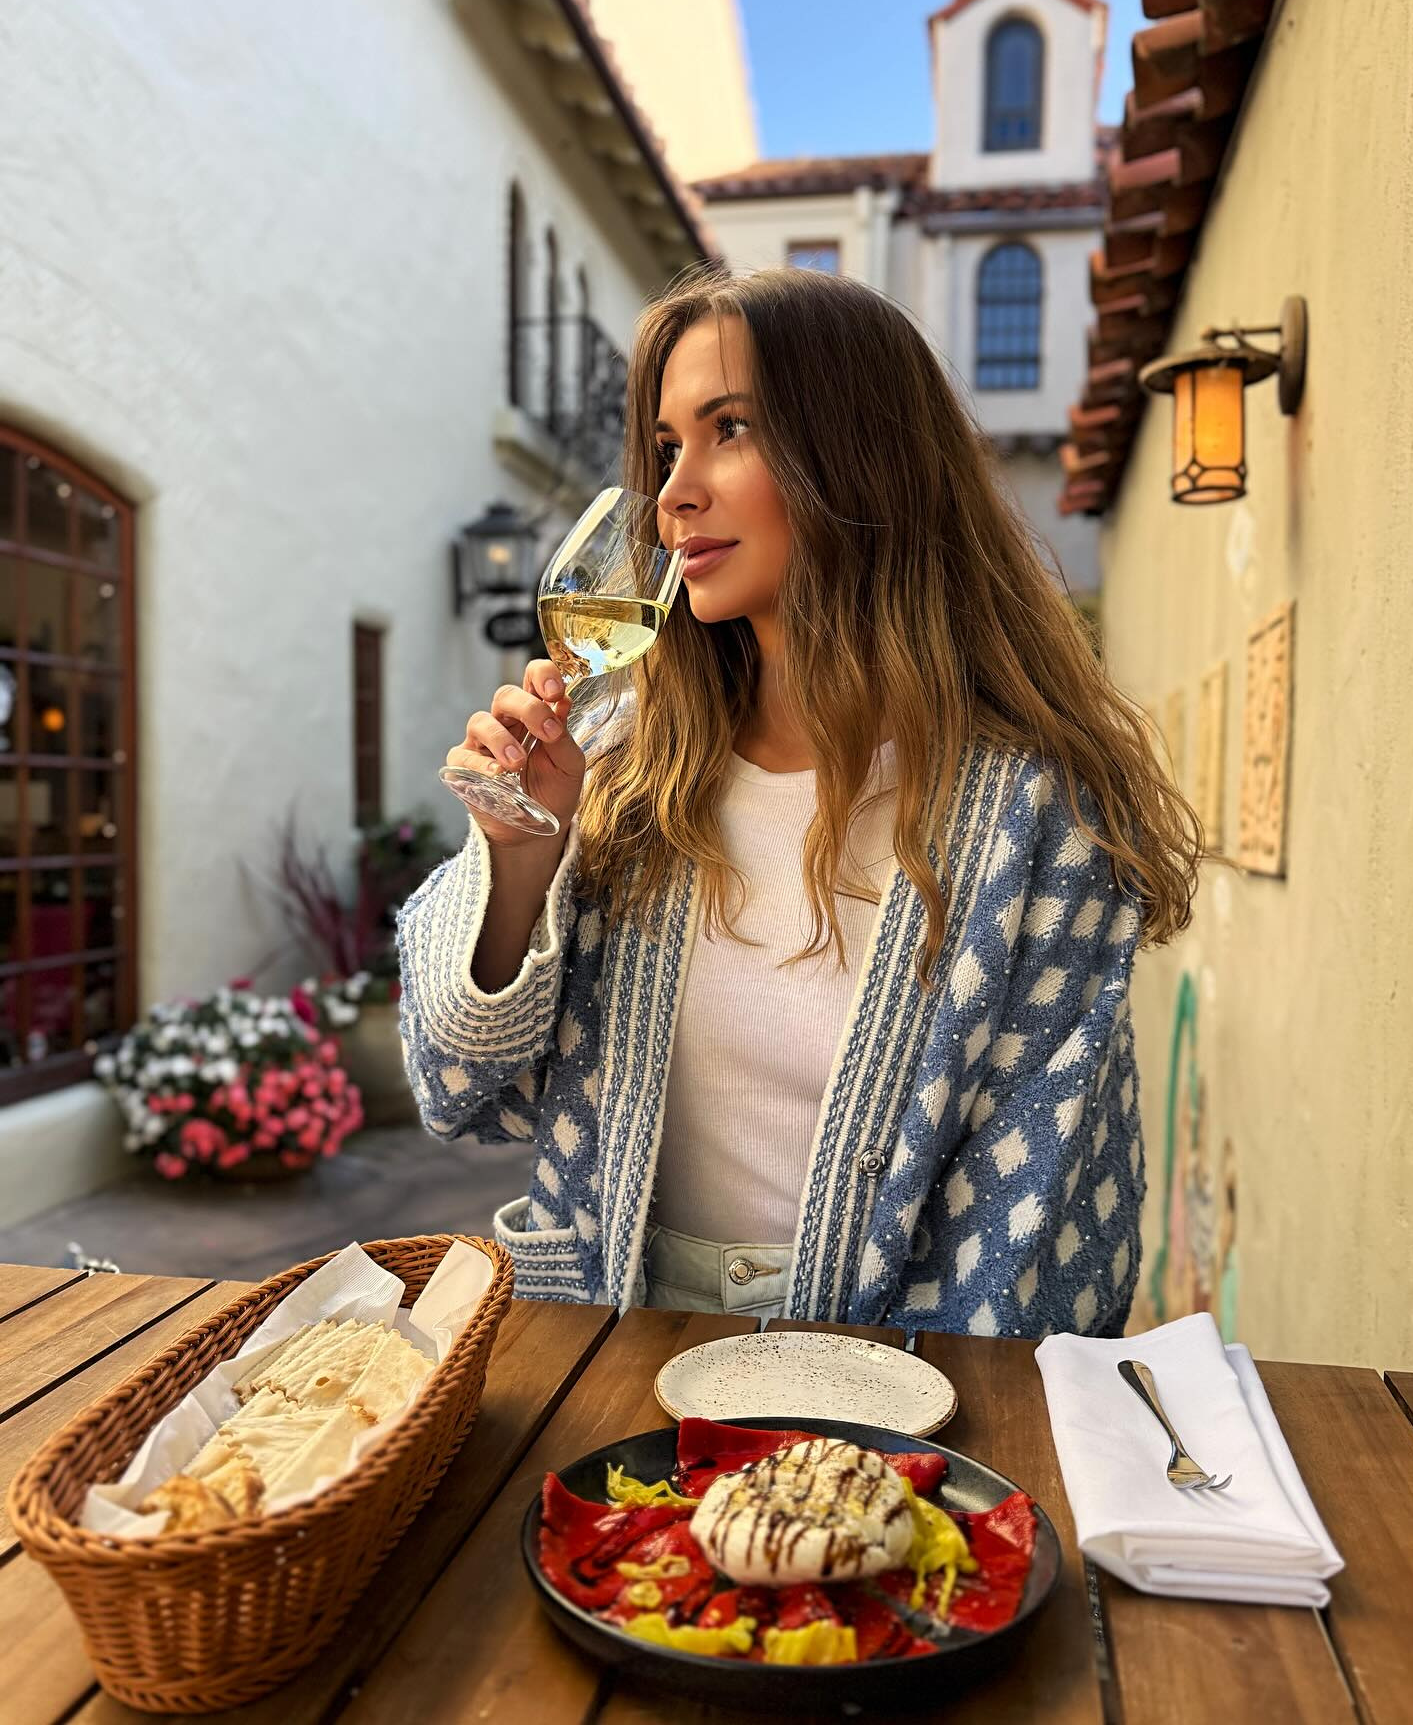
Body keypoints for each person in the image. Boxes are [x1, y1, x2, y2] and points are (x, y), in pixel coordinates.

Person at [397, 266, 1202, 1337]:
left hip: (898, 1366)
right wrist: (517, 857)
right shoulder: (620, 762)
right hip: (609, 1342)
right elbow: (457, 1087)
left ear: (862, 456)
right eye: (668, 447)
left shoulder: (1036, 814)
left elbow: (1035, 1220)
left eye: (730, 430)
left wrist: (857, 1403)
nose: (675, 494)